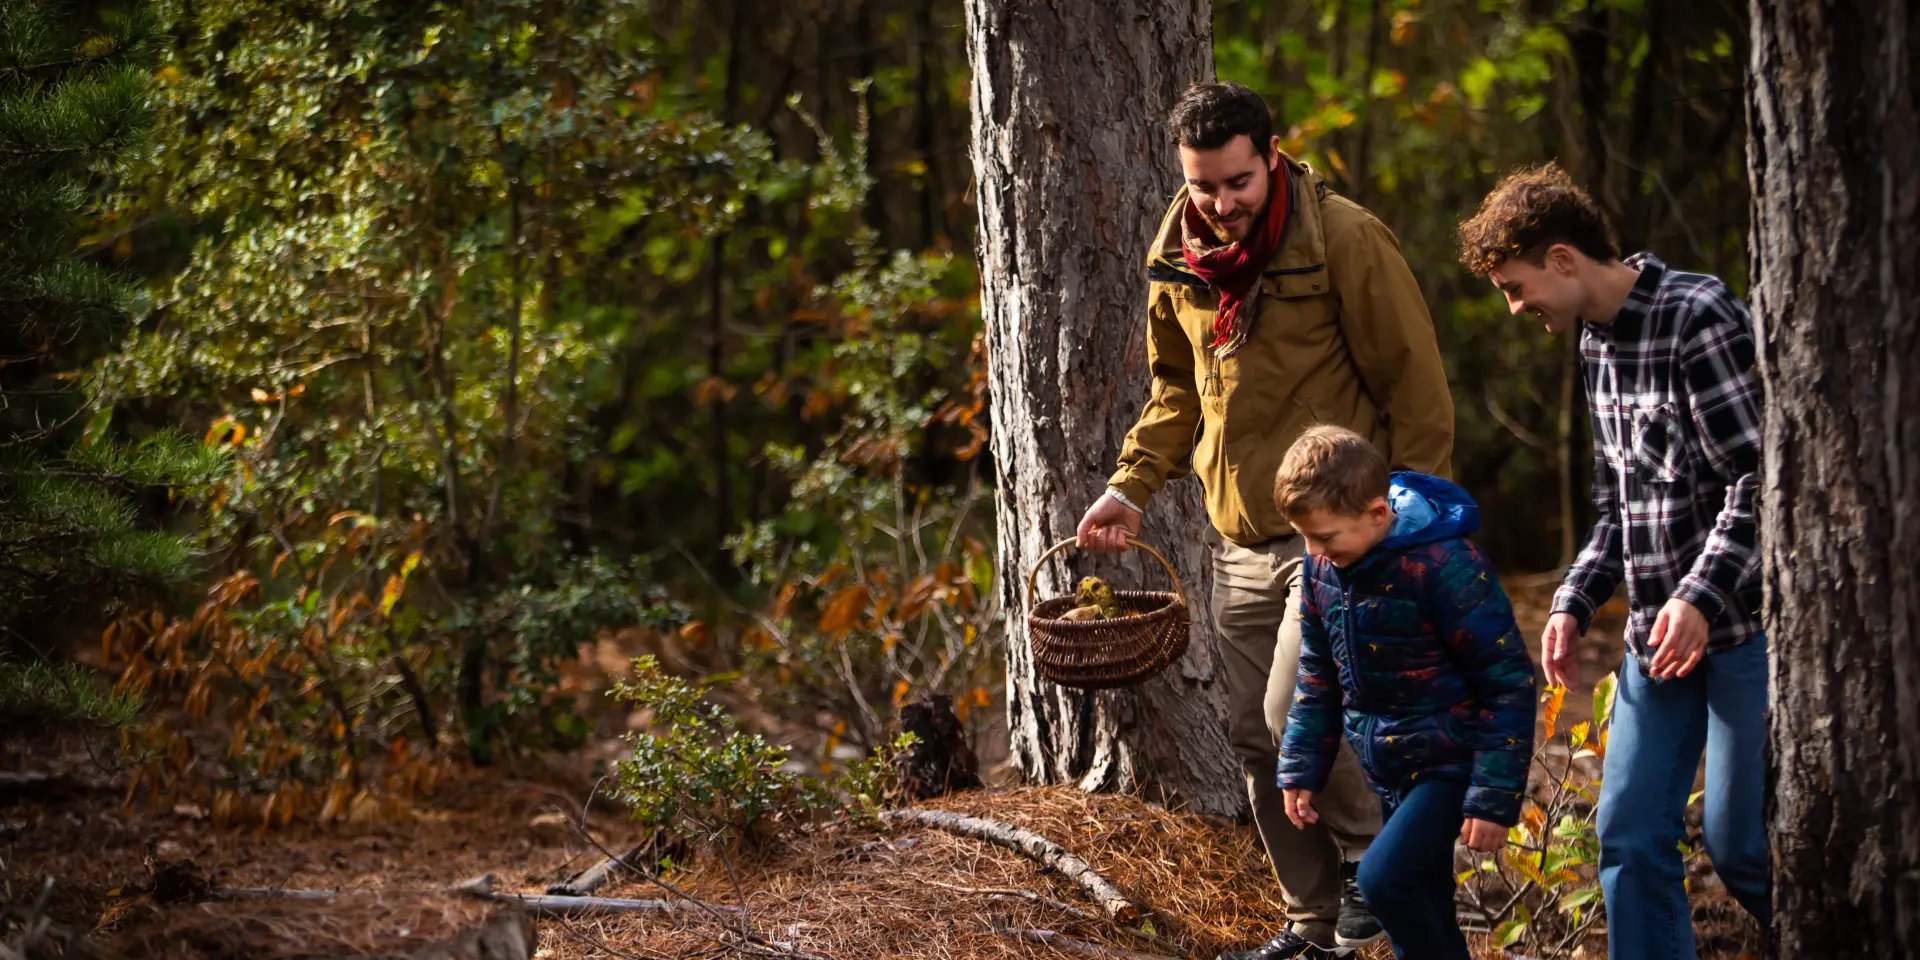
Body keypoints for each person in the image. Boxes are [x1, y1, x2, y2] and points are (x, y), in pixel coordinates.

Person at [1075, 81, 1456, 960]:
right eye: (1203, 185)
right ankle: (1312, 922)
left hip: (1339, 535)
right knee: (1254, 737)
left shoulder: (1343, 239)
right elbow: (1177, 391)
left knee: (1296, 715)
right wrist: (1130, 487)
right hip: (1239, 538)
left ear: (1272, 154)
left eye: (1237, 182)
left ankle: (1371, 865)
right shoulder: (1178, 253)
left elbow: (1416, 388)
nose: (1221, 203)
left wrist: (1407, 524)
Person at [1457, 163, 1769, 959]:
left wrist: (1699, 597)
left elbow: (1761, 477)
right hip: (1655, 643)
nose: (1515, 307)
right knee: (1627, 840)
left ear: (1563, 259)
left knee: (1744, 846)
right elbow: (1618, 507)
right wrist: (1573, 597)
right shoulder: (1595, 344)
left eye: (1516, 287)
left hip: (1741, 629)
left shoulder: (1697, 316)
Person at [1274, 425, 1535, 960]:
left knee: (1383, 880)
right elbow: (1318, 674)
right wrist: (1301, 766)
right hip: (1390, 764)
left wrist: (1493, 793)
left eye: (1325, 537)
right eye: (1305, 537)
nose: (1313, 550)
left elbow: (1508, 680)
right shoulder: (1323, 570)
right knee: (1421, 895)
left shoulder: (1445, 566)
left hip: (1450, 761)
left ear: (1377, 513)